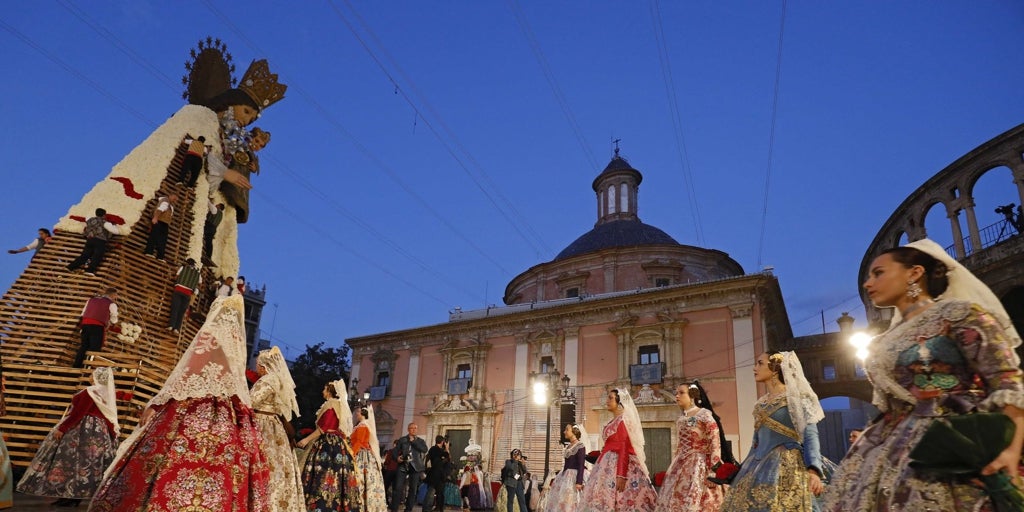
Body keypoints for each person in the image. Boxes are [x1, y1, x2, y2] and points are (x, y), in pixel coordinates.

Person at [821, 239, 1024, 511]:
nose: (868, 283)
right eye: (868, 276)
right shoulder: (882, 341)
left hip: (951, 443)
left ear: (914, 273)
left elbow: (1007, 381)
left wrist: (1010, 450)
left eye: (878, 273)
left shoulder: (960, 315)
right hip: (885, 450)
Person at [87, 295, 271, 511]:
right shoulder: (237, 341)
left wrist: (158, 403)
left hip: (192, 406)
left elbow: (188, 371)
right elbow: (237, 383)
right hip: (226, 413)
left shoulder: (210, 334)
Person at [720, 351, 824, 512]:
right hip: (756, 466)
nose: (755, 368)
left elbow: (810, 434)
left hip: (787, 466)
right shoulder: (760, 404)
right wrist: (740, 470)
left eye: (759, 363)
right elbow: (756, 442)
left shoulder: (797, 398)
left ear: (775, 368)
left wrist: (814, 470)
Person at [17, 367, 118, 507]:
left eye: (91, 374)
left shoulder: (90, 391)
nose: (90, 376)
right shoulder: (104, 394)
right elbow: (108, 416)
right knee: (85, 464)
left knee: (70, 460)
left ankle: (70, 496)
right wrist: (111, 434)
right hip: (98, 432)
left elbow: (79, 412)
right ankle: (73, 496)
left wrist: (63, 428)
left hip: (82, 430)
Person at [579, 388, 658, 512]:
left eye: (610, 398)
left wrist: (621, 475)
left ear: (619, 402)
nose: (607, 401)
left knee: (623, 500)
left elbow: (624, 447)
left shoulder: (623, 421)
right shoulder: (612, 421)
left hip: (620, 465)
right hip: (607, 464)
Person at [655, 383, 724, 512]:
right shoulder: (681, 418)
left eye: (681, 393)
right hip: (682, 463)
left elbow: (715, 442)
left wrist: (714, 471)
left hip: (701, 462)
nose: (677, 396)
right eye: (676, 393)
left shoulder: (704, 415)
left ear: (692, 396)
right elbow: (680, 445)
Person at [252, 347, 304, 512]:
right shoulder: (280, 380)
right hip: (275, 426)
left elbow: (251, 402)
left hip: (263, 424)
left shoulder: (268, 380)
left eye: (257, 364)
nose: (255, 367)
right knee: (278, 467)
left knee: (265, 464)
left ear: (263, 366)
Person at [297, 380, 356, 511]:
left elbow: (324, 428)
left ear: (329, 391)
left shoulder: (331, 405)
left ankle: (321, 505)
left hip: (327, 444)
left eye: (324, 389)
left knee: (322, 472)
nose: (322, 391)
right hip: (337, 445)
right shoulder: (338, 405)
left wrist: (306, 440)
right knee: (337, 475)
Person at [351, 405, 387, 512]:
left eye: (358, 412)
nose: (356, 414)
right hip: (365, 454)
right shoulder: (362, 425)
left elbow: (359, 442)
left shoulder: (362, 426)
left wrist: (352, 454)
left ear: (362, 414)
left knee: (360, 478)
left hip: (362, 455)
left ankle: (361, 504)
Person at [542, 424, 587, 512]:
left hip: (574, 477)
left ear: (574, 432)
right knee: (562, 501)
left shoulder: (580, 446)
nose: (564, 432)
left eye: (567, 430)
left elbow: (581, 464)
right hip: (565, 476)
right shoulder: (569, 446)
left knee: (572, 501)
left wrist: (579, 482)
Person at [72, 287, 118, 368]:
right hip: (97, 327)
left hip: (85, 325)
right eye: (116, 295)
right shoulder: (111, 304)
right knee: (95, 348)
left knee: (84, 346)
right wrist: (112, 323)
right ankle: (88, 368)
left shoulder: (91, 300)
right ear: (113, 295)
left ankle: (76, 366)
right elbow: (114, 317)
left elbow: (83, 313)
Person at [66, 208, 120, 276]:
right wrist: (114, 225)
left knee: (84, 256)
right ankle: (89, 271)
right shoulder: (105, 223)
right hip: (100, 241)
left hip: (90, 240)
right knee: (97, 256)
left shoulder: (90, 220)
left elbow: (86, 219)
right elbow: (116, 231)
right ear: (104, 215)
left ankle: (70, 267)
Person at [391, 422, 428, 512]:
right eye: (412, 428)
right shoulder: (402, 440)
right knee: (398, 488)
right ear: (408, 429)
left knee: (413, 490)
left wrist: (413, 442)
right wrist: (397, 458)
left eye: (415, 428)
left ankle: (408, 509)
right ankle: (394, 509)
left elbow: (424, 449)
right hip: (403, 466)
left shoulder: (420, 441)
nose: (414, 430)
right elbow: (394, 451)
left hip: (415, 467)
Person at [168, 258, 201, 332]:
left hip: (178, 290)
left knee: (175, 308)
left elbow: (176, 276)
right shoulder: (198, 273)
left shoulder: (183, 268)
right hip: (188, 293)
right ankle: (177, 329)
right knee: (182, 311)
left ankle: (171, 325)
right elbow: (199, 283)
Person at [143, 192, 177, 261]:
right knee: (154, 236)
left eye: (176, 199)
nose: (175, 200)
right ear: (170, 196)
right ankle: (149, 252)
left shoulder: (171, 205)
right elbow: (159, 210)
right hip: (159, 221)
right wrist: (155, 218)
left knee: (163, 239)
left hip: (165, 223)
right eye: (174, 198)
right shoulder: (165, 201)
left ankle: (160, 256)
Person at [426, 435, 451, 512]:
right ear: (442, 441)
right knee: (430, 494)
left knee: (440, 494)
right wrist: (446, 451)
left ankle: (439, 508)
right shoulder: (434, 449)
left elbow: (448, 459)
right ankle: (426, 509)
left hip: (441, 475)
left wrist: (447, 450)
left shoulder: (442, 450)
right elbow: (438, 462)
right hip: (434, 475)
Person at [202, 200, 224, 267]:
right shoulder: (221, 215)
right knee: (209, 242)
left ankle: (207, 255)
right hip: (213, 228)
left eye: (217, 204)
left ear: (219, 206)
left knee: (204, 237)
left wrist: (206, 198)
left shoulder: (215, 210)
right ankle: (208, 255)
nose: (216, 205)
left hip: (209, 226)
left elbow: (210, 205)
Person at [382, 440, 400, 507]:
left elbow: (387, 461)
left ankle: (385, 502)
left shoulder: (391, 451)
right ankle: (394, 504)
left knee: (385, 487)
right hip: (398, 472)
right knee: (395, 489)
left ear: (395, 444)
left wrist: (385, 464)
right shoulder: (401, 452)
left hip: (390, 471)